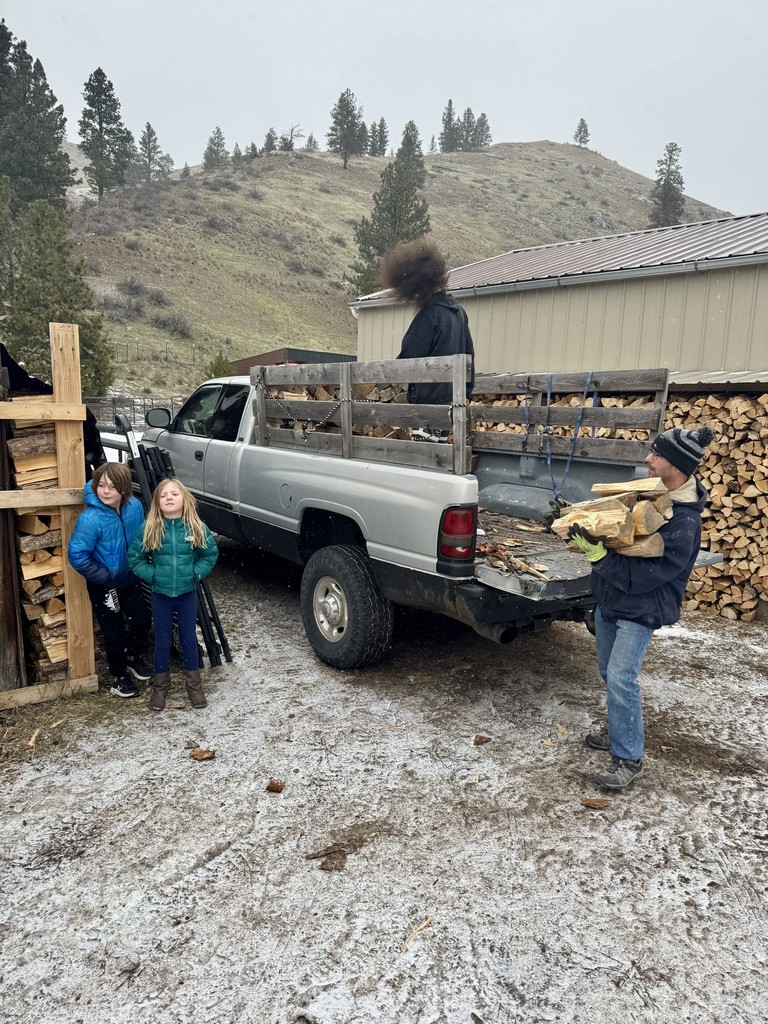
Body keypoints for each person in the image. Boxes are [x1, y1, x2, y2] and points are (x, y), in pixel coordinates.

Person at [568, 425, 714, 790]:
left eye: (657, 454)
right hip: (611, 600)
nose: (647, 458)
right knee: (606, 671)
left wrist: (599, 557)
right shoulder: (642, 494)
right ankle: (620, 727)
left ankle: (628, 758)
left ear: (677, 465)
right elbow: (614, 528)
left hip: (642, 606)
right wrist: (576, 521)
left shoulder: (684, 521)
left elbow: (648, 575)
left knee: (621, 677)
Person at [128, 477, 218, 711]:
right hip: (161, 595)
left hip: (187, 594)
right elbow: (135, 559)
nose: (169, 497)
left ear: (184, 500)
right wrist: (154, 575)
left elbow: (209, 555)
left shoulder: (195, 526)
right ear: (157, 502)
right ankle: (160, 688)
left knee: (189, 639)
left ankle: (194, 687)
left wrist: (194, 574)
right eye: (164, 495)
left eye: (174, 494)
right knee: (162, 641)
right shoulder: (149, 527)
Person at [67, 462, 153, 697]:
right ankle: (118, 677)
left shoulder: (134, 507)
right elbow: (77, 555)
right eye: (101, 485)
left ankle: (132, 657)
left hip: (130, 577)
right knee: (112, 629)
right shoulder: (90, 519)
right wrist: (106, 576)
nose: (105, 491)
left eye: (112, 487)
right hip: (103, 583)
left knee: (142, 620)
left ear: (124, 489)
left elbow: (142, 535)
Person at [379, 238, 475, 411]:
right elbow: (469, 355)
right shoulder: (459, 313)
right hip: (453, 401)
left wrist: (388, 371)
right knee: (440, 439)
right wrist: (465, 393)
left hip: (428, 404)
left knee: (425, 439)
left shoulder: (430, 315)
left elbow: (409, 357)